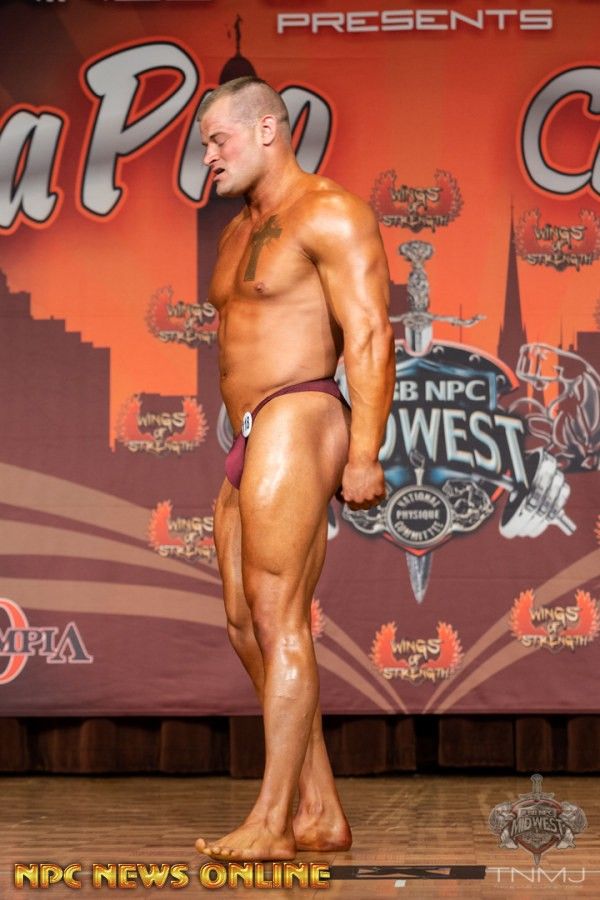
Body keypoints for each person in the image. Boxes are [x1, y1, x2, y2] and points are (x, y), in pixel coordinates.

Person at [195, 76, 395, 862]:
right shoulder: (236, 233)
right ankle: (318, 810)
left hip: (300, 410)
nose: (208, 158)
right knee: (245, 624)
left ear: (267, 129)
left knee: (280, 617)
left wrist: (366, 450)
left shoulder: (330, 212)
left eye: (218, 141)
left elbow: (370, 333)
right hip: (249, 428)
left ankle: (272, 823)